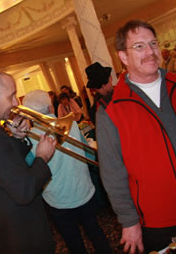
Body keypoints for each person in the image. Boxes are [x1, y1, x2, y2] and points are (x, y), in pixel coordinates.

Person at [97, 20, 176, 253]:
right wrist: (129, 222)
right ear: (123, 57)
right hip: (160, 223)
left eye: (153, 44)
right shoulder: (111, 108)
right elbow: (112, 173)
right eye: (139, 46)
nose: (150, 52)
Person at [0, 70, 57, 254]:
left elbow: (4, 166)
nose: (16, 102)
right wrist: (42, 157)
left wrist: (17, 139)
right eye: (11, 96)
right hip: (22, 239)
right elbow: (25, 190)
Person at [23, 90, 112, 254]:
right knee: (95, 232)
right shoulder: (70, 124)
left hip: (58, 200)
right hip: (83, 190)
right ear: (50, 106)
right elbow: (89, 153)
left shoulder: (28, 139)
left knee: (73, 241)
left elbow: (29, 172)